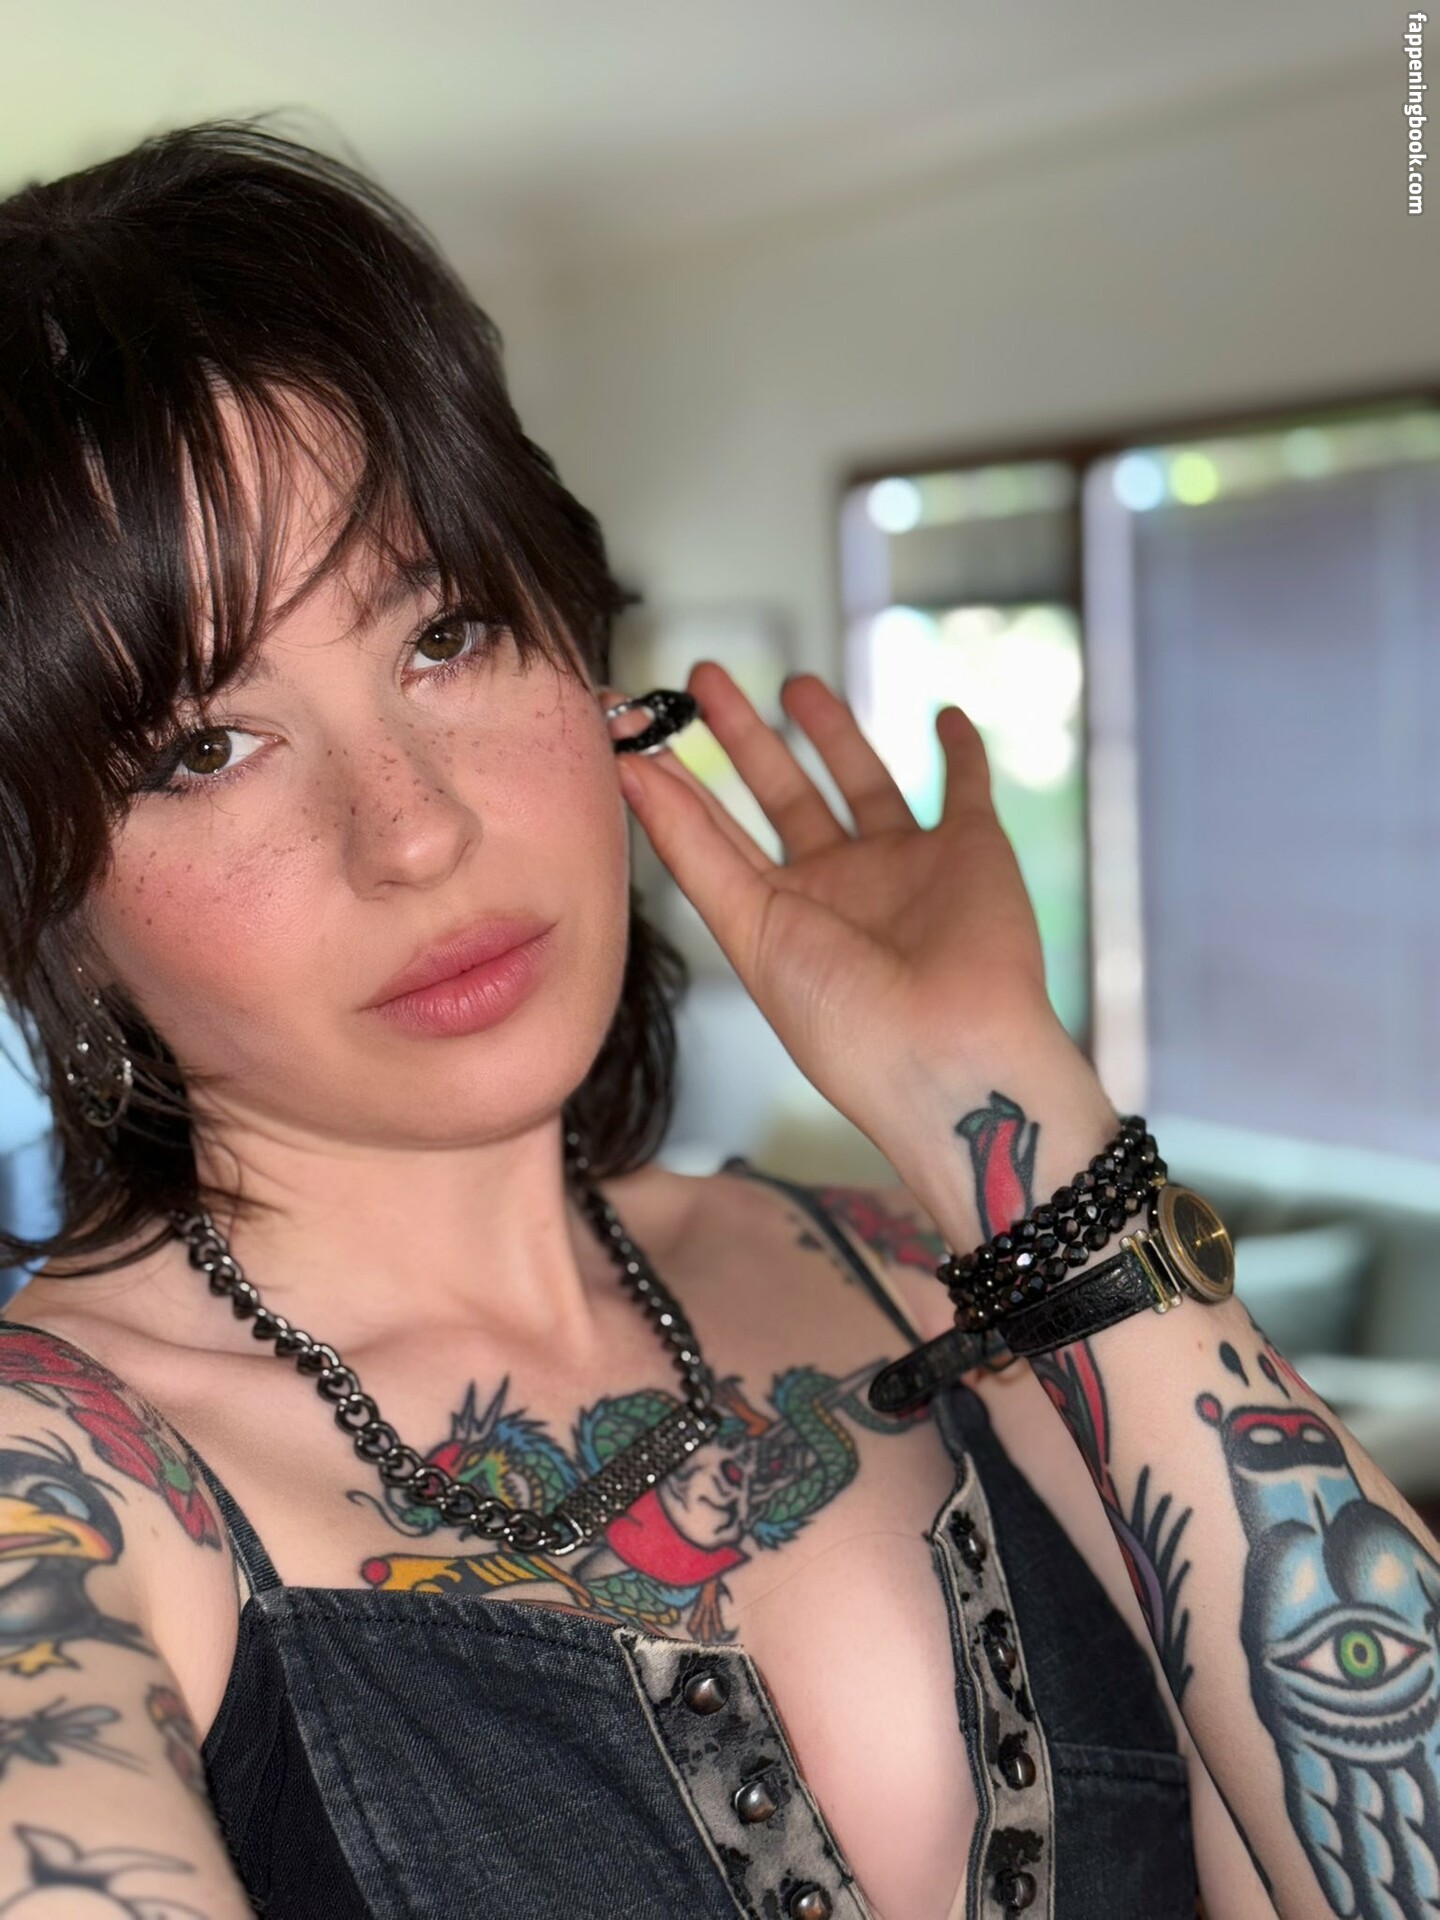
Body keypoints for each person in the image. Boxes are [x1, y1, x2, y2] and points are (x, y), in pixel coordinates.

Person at [0, 120, 1432, 1920]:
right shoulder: (60, 1487)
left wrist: (1005, 1108)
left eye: (445, 635)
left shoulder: (931, 1286)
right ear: (52, 909)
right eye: (206, 748)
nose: (415, 830)